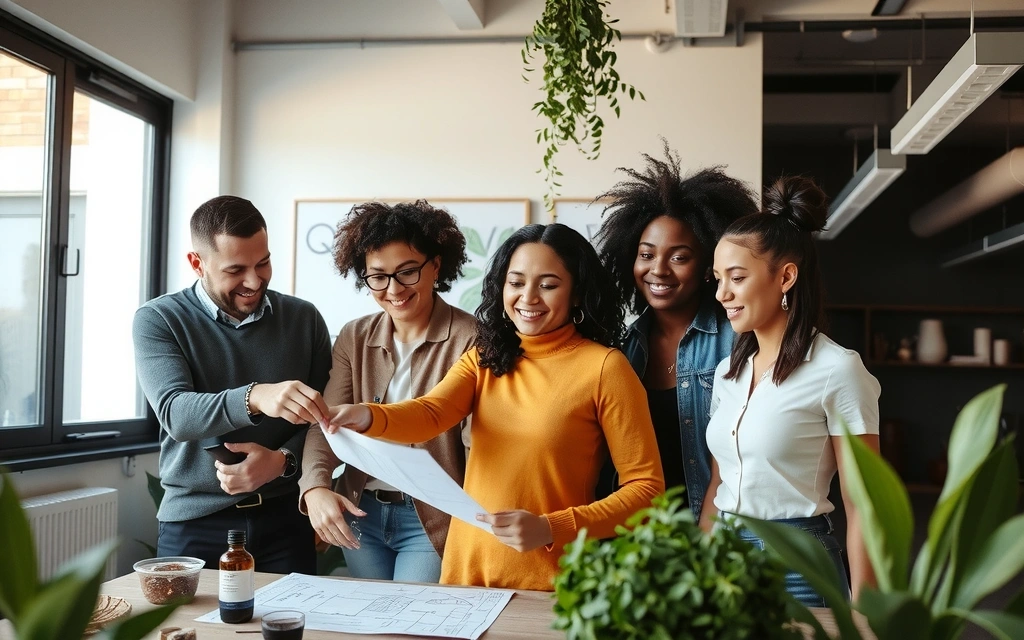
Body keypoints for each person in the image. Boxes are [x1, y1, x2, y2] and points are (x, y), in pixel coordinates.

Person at [325, 223, 665, 591]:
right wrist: (367, 415)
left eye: (548, 285)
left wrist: (550, 527)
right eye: (516, 283)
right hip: (466, 573)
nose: (528, 298)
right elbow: (431, 414)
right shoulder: (485, 357)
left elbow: (647, 491)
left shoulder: (605, 368)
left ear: (578, 293)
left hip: (553, 584)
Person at [701, 176, 880, 606]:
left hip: (797, 567)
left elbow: (866, 505)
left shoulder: (838, 370)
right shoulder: (727, 373)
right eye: (718, 278)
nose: (722, 293)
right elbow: (718, 483)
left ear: (785, 277)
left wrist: (867, 615)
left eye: (737, 277)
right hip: (722, 562)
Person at [133, 195, 331, 574]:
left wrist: (283, 462)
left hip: (285, 519)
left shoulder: (304, 320)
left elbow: (324, 419)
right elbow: (176, 413)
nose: (254, 281)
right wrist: (256, 396)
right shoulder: (159, 319)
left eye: (263, 263)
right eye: (236, 269)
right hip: (194, 522)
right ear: (197, 263)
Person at [298, 200, 477, 583]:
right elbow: (324, 423)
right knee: (371, 616)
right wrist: (315, 487)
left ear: (436, 266)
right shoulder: (355, 336)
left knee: (408, 616)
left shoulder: (471, 338)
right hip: (361, 512)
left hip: (432, 516)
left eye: (407, 272)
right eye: (378, 276)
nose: (394, 289)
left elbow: (477, 445)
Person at [595, 142, 757, 520]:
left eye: (679, 257)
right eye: (646, 254)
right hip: (642, 535)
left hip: (717, 532)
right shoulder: (623, 348)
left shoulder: (737, 343)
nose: (658, 270)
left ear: (709, 265)